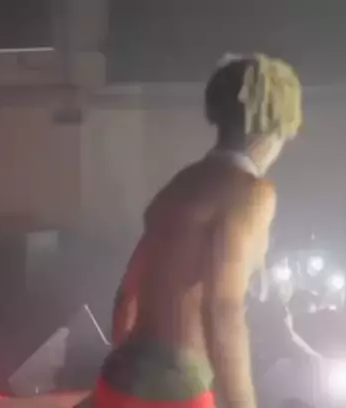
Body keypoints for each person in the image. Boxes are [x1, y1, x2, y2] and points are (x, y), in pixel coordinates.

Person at [88, 53, 303, 408]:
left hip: (121, 374)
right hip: (179, 387)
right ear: (278, 127)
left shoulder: (179, 186)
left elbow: (126, 296)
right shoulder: (251, 193)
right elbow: (223, 308)